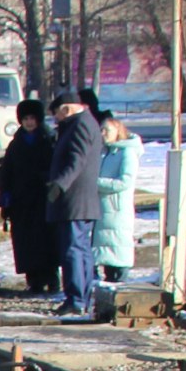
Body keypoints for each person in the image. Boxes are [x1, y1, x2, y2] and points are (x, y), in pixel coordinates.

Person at [45, 91, 102, 319]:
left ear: (66, 109)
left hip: (75, 200)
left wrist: (60, 184)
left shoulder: (80, 125)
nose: (56, 119)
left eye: (57, 114)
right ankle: (80, 298)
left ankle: (77, 299)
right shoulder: (84, 123)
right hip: (80, 200)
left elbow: (77, 160)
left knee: (73, 250)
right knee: (80, 250)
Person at [0, 98, 55, 297]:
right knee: (25, 242)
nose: (29, 122)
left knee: (47, 241)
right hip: (22, 201)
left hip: (43, 199)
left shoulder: (48, 139)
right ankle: (33, 279)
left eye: (32, 118)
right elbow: (7, 171)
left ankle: (51, 277)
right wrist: (5, 195)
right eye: (26, 118)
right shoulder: (16, 143)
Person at [94, 111, 140, 288]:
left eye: (106, 130)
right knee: (104, 251)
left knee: (118, 250)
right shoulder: (103, 152)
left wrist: (96, 183)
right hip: (102, 210)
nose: (103, 134)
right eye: (101, 130)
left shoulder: (127, 152)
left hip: (116, 210)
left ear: (118, 131)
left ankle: (121, 286)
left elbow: (125, 181)